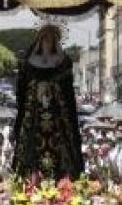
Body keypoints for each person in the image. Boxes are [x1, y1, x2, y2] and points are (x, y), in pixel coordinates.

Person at [12, 24, 83, 179]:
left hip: (56, 112)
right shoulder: (29, 62)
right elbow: (21, 89)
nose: (47, 43)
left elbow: (68, 92)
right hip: (34, 111)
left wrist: (51, 88)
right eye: (45, 39)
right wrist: (37, 88)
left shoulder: (62, 62)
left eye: (51, 40)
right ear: (40, 40)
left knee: (63, 140)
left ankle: (64, 174)